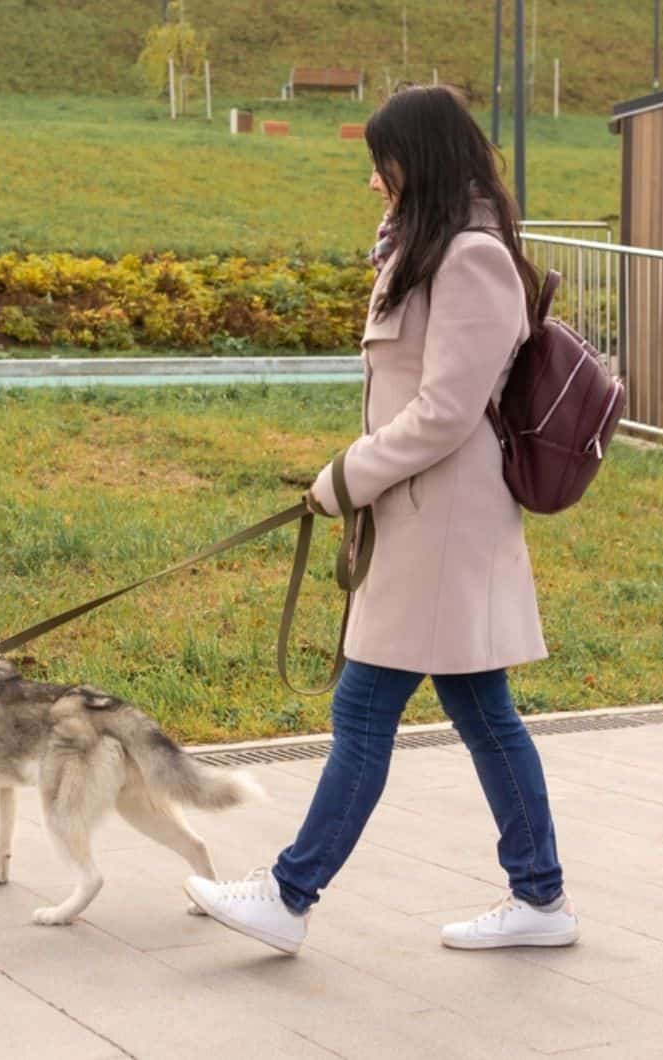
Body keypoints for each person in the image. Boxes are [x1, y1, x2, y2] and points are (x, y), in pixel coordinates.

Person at [183, 86, 578, 956]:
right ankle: (540, 896)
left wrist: (343, 479)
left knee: (365, 712)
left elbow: (445, 411)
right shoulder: (436, 247)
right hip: (427, 517)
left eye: (384, 161)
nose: (374, 181)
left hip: (441, 522)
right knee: (482, 713)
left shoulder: (469, 257)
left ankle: (288, 897)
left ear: (422, 159)